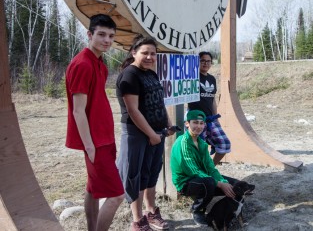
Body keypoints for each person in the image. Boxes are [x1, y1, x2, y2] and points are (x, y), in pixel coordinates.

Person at [65, 14, 124, 231]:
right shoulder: (82, 64)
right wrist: (89, 146)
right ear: (89, 34)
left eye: (111, 36)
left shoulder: (99, 63)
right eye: (101, 34)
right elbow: (78, 110)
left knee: (93, 189)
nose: (107, 40)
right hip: (95, 142)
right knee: (116, 195)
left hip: (104, 137)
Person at [116, 35, 174, 231]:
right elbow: (133, 110)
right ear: (134, 52)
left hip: (156, 132)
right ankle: (137, 220)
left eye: (153, 53)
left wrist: (167, 121)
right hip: (137, 134)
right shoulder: (130, 75)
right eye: (145, 53)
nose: (150, 57)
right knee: (135, 176)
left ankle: (151, 212)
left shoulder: (151, 73)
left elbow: (159, 100)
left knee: (151, 174)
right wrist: (151, 134)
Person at [170, 110, 238, 226]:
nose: (199, 126)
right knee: (209, 182)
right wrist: (220, 184)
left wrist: (223, 182)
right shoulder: (183, 142)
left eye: (202, 123)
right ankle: (197, 210)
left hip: (203, 179)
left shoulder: (201, 142)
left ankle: (224, 213)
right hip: (185, 182)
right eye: (195, 123)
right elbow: (192, 171)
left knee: (235, 185)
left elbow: (210, 168)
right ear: (187, 124)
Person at [187, 51, 231, 165]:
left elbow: (212, 100)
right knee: (197, 148)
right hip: (196, 118)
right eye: (202, 60)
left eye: (208, 61)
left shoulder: (212, 79)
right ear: (197, 62)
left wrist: (216, 119)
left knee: (224, 144)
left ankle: (211, 168)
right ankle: (197, 172)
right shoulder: (192, 77)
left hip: (210, 119)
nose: (205, 63)